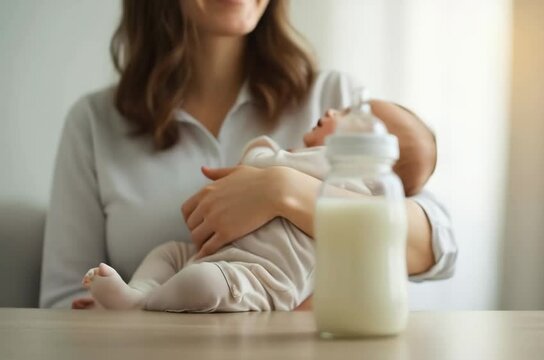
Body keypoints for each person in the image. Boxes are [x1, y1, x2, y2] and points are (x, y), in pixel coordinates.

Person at [39, 0, 457, 310]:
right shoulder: (93, 122)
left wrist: (283, 189)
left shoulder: (338, 100)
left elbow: (436, 246)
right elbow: (63, 300)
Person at [82, 100, 432, 311]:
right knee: (169, 254)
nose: (331, 109)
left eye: (349, 116)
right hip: (211, 255)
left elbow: (261, 163)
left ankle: (142, 305)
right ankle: (140, 293)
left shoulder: (340, 171)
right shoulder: (92, 117)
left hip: (256, 278)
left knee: (201, 284)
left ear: (374, 149)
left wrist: (266, 164)